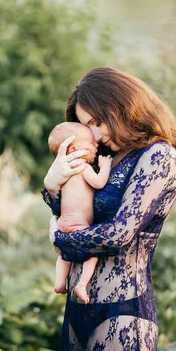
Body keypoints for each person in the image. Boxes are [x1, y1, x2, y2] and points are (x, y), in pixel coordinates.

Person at [42, 67, 176, 351]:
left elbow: (118, 233)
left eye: (97, 122)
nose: (94, 136)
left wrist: (60, 238)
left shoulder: (159, 157)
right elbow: (81, 211)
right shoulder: (107, 155)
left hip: (123, 311)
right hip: (78, 308)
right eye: (86, 127)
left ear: (123, 106)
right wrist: (53, 187)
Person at [48, 122, 112, 304]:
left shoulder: (65, 173)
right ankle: (82, 284)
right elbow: (99, 183)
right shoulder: (83, 168)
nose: (95, 145)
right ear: (74, 149)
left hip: (63, 223)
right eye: (91, 143)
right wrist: (105, 167)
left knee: (64, 255)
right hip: (79, 223)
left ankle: (60, 282)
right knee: (91, 254)